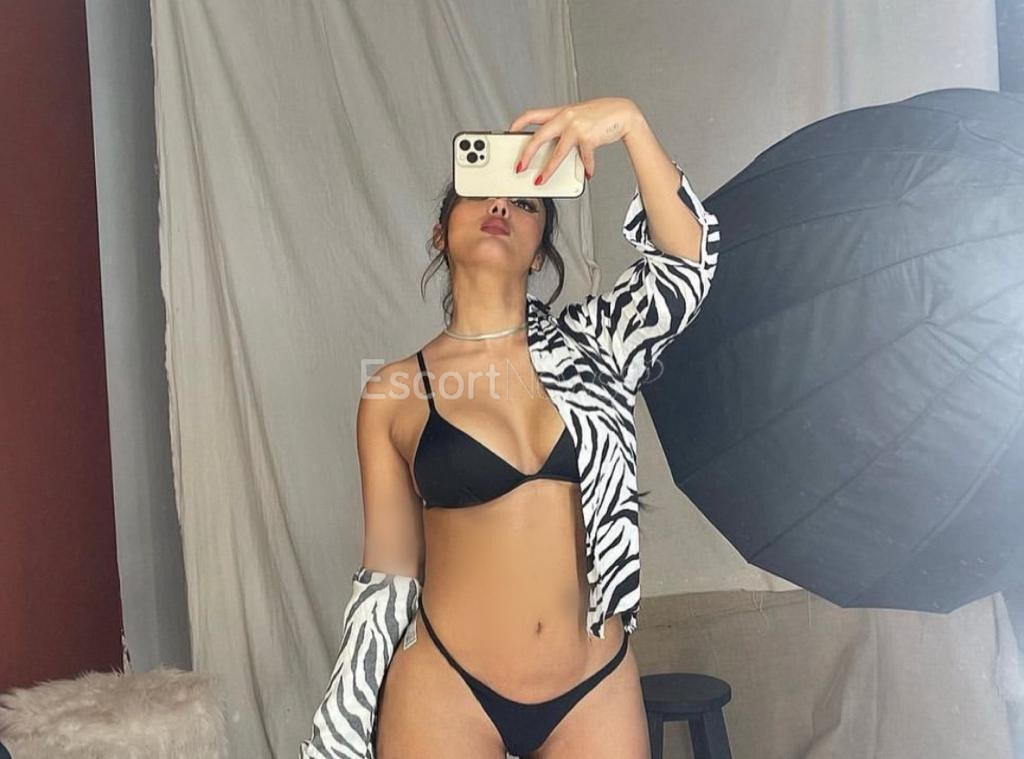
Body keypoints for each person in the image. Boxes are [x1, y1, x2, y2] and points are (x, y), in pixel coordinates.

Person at [300, 96, 719, 759]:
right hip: (447, 688)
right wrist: (342, 731)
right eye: (480, 192)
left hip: (593, 686)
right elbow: (387, 578)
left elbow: (687, 267)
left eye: (525, 202)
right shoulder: (394, 392)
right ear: (440, 233)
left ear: (538, 252)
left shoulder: (597, 347)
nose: (501, 205)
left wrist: (631, 123)